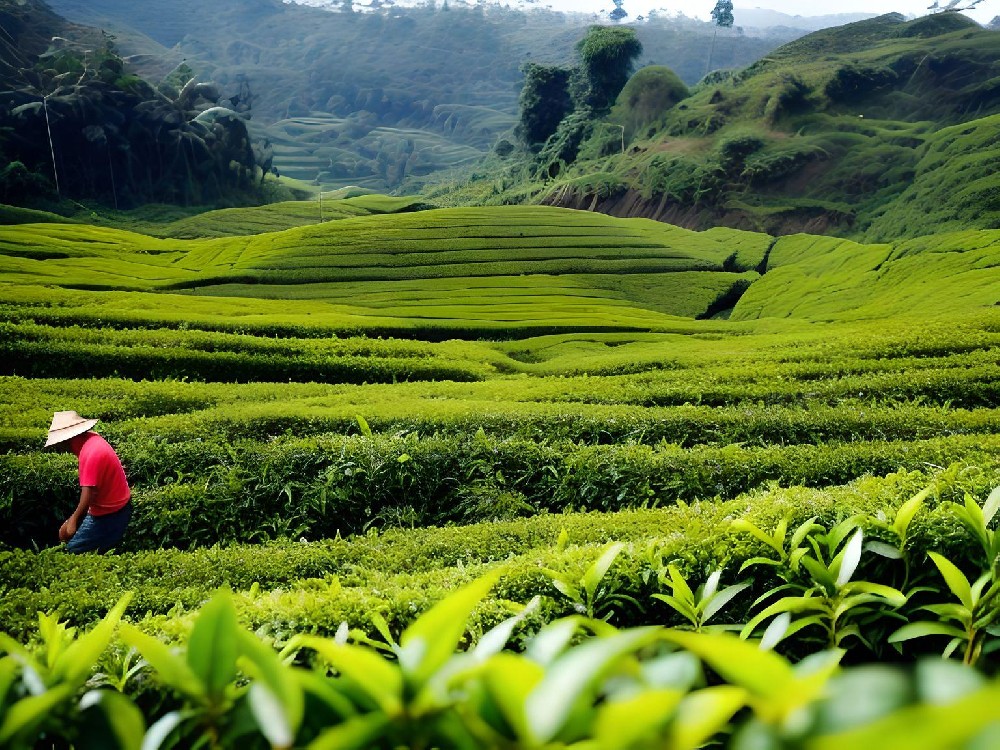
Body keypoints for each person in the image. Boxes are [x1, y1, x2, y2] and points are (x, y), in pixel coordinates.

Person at [45, 410, 131, 553]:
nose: (60, 448)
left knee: (73, 552)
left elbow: (88, 493)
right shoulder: (91, 440)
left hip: (110, 514)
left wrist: (73, 521)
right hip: (112, 509)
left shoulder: (91, 453)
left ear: (68, 439)